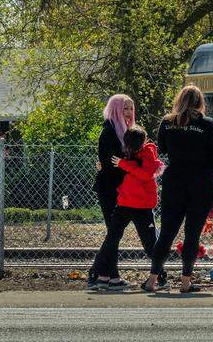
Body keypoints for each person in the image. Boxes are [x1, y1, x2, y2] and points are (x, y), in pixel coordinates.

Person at [143, 85, 213, 293]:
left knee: (167, 233)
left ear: (179, 100)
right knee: (192, 234)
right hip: (201, 183)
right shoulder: (207, 124)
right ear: (200, 102)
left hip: (174, 182)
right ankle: (185, 282)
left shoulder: (167, 123)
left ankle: (152, 280)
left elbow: (163, 150)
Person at [90, 126, 161, 290]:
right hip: (124, 203)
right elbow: (110, 166)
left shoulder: (148, 154)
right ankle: (98, 273)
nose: (132, 146)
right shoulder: (125, 155)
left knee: (150, 242)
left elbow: (145, 174)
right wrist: (105, 165)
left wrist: (123, 164)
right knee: (112, 238)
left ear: (144, 141)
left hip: (143, 206)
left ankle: (160, 275)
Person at [87, 94, 133, 289]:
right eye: (125, 109)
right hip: (109, 189)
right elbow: (111, 164)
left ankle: (106, 276)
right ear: (115, 109)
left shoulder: (123, 131)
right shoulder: (109, 132)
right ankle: (103, 274)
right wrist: (131, 164)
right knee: (114, 232)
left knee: (114, 233)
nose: (129, 113)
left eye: (131, 109)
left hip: (120, 189)